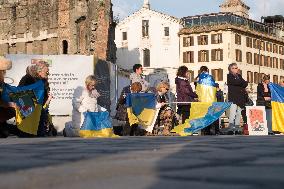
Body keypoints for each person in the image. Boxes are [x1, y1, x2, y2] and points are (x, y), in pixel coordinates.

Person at [18, 62, 54, 136]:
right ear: (39, 71)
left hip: (40, 110)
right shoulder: (27, 78)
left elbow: (44, 100)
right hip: (28, 110)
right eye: (46, 72)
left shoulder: (44, 82)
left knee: (41, 132)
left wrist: (47, 100)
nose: (48, 74)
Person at [224, 63, 248, 135]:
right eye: (233, 68)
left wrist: (240, 83)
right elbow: (235, 82)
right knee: (232, 113)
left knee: (238, 113)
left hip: (240, 98)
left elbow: (245, 83)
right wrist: (241, 83)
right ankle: (231, 129)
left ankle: (237, 129)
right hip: (233, 97)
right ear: (230, 69)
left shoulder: (239, 76)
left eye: (236, 68)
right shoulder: (229, 76)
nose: (235, 69)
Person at [0, 57, 17, 138]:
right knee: (12, 110)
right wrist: (8, 104)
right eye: (3, 71)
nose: (5, 73)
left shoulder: (2, 82)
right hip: (2, 107)